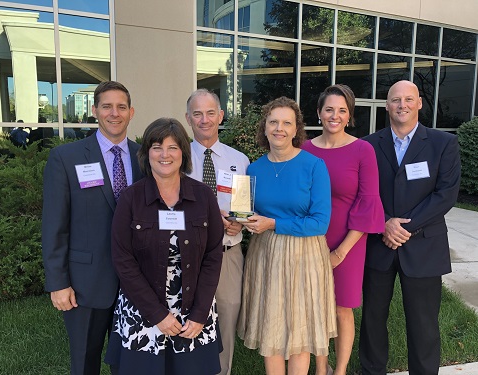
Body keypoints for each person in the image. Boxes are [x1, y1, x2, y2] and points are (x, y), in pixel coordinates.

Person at [105, 117, 224, 375]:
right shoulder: (131, 198)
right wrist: (157, 314)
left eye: (173, 147)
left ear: (183, 152)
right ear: (147, 153)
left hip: (193, 309)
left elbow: (213, 255)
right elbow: (123, 260)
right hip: (143, 308)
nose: (165, 154)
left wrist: (201, 312)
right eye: (157, 147)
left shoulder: (203, 196)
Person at [359, 80, 461, 375]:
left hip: (424, 246)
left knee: (423, 322)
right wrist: (384, 224)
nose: (401, 105)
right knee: (373, 318)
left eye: (407, 99)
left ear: (419, 103)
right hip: (379, 244)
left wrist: (403, 227)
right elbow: (365, 193)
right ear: (387, 106)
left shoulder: (443, 143)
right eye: (394, 100)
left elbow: (445, 195)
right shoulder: (368, 145)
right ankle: (371, 371)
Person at [42, 81, 143, 375]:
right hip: (85, 283)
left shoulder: (144, 157)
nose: (115, 113)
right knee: (85, 362)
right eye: (107, 106)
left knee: (130, 363)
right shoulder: (67, 158)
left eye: (121, 107)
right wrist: (58, 282)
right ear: (95, 110)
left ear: (131, 112)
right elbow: (54, 225)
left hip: (135, 284)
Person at [237, 96, 337, 375]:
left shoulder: (314, 166)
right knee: (272, 327)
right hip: (265, 255)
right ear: (265, 127)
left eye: (286, 123)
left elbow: (320, 223)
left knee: (299, 332)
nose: (279, 128)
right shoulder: (253, 169)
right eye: (273, 122)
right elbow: (244, 214)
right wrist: (242, 222)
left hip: (305, 255)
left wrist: (272, 223)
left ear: (296, 130)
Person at [301, 84, 385, 375]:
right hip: (310, 240)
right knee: (315, 308)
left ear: (349, 116)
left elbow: (368, 203)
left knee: (341, 309)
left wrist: (340, 252)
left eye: (342, 110)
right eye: (329, 109)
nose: (334, 116)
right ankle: (321, 368)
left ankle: (340, 370)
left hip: (348, 241)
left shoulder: (363, 150)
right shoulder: (304, 149)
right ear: (319, 113)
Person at [185, 89, 250, 375]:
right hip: (187, 256)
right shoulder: (175, 157)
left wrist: (239, 222)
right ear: (188, 119)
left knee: (226, 316)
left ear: (221, 116)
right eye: (197, 114)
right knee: (186, 320)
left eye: (210, 113)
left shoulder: (240, 160)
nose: (204, 120)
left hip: (227, 253)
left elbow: (242, 208)